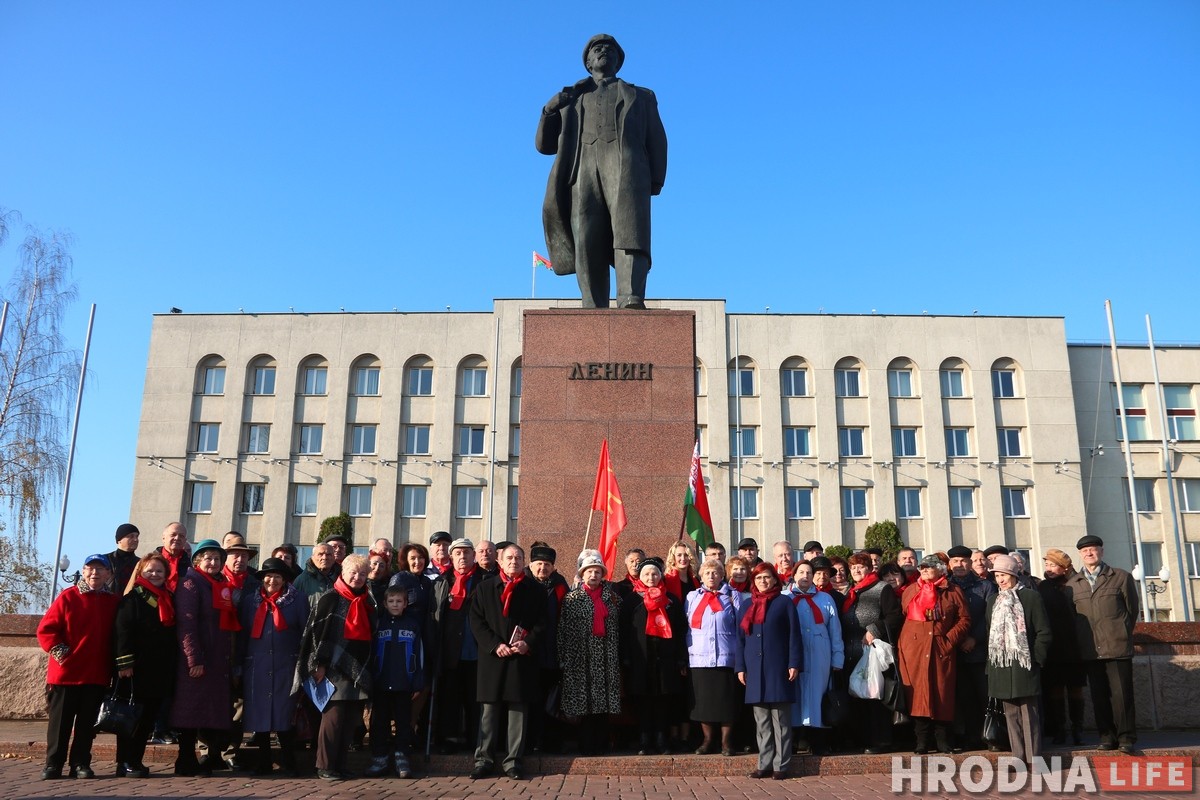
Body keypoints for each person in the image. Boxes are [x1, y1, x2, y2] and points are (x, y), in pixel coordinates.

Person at [536, 33, 667, 309]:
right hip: (581, 168)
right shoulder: (571, 98)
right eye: (597, 48)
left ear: (619, 60)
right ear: (588, 62)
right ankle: (592, 303)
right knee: (587, 236)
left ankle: (631, 297)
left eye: (610, 48)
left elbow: (657, 138)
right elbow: (545, 146)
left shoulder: (642, 96)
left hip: (626, 169)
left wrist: (655, 179)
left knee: (629, 232)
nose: (603, 51)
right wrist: (549, 110)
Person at [37, 553, 120, 780]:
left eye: (100, 569)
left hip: (95, 674)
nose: (95, 573)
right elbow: (46, 630)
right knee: (60, 725)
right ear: (83, 571)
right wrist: (64, 654)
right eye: (90, 568)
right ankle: (53, 764)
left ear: (108, 574)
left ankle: (80, 763)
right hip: (66, 675)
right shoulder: (68, 597)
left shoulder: (113, 602)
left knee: (87, 726)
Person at [468, 544, 548, 780]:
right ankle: (483, 760)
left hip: (521, 658)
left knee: (517, 711)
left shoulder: (535, 590)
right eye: (509, 557)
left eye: (519, 557)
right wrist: (494, 645)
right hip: (492, 657)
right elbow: (476, 621)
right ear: (500, 561)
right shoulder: (484, 588)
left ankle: (513, 761)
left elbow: (543, 622)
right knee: (488, 712)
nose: (514, 561)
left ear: (524, 562)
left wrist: (528, 643)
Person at [295, 553, 376, 781]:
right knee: (333, 720)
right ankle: (324, 766)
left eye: (362, 573)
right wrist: (318, 665)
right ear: (343, 572)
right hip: (331, 669)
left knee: (350, 721)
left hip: (357, 668)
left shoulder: (367, 602)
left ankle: (340, 765)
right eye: (353, 572)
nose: (358, 577)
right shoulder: (330, 598)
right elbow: (316, 634)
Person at [1065, 534, 1139, 753]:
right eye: (1084, 551)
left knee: (1122, 695)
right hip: (1090, 650)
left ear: (1101, 551)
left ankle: (1126, 738)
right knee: (1099, 697)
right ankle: (1107, 737)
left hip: (1117, 647)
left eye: (1093, 549)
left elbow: (1132, 611)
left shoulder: (1121, 577)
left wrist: (1121, 632)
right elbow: (1073, 618)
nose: (1089, 553)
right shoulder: (1073, 584)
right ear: (1080, 555)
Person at [170, 539, 237, 776]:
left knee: (212, 710)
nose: (213, 562)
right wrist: (193, 658)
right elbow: (187, 623)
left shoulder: (220, 585)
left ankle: (212, 757)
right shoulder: (191, 583)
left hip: (217, 659)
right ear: (198, 560)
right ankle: (185, 758)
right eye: (208, 558)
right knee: (190, 711)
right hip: (198, 659)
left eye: (217, 559)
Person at [238, 557, 309, 776]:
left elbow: (306, 633)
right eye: (268, 576)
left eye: (277, 576)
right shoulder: (250, 601)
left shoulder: (297, 600)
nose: (272, 581)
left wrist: (304, 664)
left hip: (286, 665)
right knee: (259, 715)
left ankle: (289, 761)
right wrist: (238, 666)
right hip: (256, 666)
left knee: (285, 714)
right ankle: (264, 761)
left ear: (285, 579)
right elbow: (241, 635)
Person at [736, 562, 802, 780]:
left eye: (767, 577)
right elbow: (740, 640)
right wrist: (740, 667)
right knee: (762, 721)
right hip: (754, 669)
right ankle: (763, 763)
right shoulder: (747, 605)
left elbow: (794, 635)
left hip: (779, 667)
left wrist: (794, 663)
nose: (763, 581)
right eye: (758, 578)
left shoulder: (784, 603)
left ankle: (781, 765)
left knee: (781, 721)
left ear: (775, 579)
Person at [898, 555, 971, 754]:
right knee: (918, 694)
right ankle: (921, 742)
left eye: (929, 568)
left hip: (941, 646)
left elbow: (964, 619)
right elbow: (906, 614)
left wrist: (949, 640)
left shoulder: (953, 590)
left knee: (942, 692)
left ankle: (943, 741)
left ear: (940, 570)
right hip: (915, 648)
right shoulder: (912, 590)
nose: (924, 571)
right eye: (922, 568)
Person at [113, 553, 176, 778]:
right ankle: (124, 761)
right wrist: (125, 663)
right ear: (141, 573)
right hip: (136, 669)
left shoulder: (167, 597)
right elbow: (123, 632)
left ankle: (136, 760)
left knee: (148, 719)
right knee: (131, 718)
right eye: (150, 570)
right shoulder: (133, 598)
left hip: (158, 670)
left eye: (159, 571)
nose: (155, 574)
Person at [985, 554, 1052, 767]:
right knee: (1010, 714)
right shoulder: (993, 601)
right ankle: (1018, 758)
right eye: (997, 576)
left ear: (1014, 574)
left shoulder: (1031, 597)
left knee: (1029, 714)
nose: (1001, 580)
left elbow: (1043, 631)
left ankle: (1035, 760)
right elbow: (990, 633)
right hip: (1002, 665)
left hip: (1025, 663)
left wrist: (1036, 659)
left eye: (1004, 575)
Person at [620, 556, 687, 755]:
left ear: (661, 576)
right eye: (646, 574)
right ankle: (644, 740)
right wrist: (625, 657)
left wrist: (680, 657)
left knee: (663, 702)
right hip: (640, 659)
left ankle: (661, 740)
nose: (651, 577)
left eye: (655, 573)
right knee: (643, 702)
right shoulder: (632, 599)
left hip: (665, 658)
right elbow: (623, 630)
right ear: (640, 576)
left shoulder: (671, 600)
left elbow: (682, 630)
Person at [557, 549, 622, 754]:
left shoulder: (613, 598)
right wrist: (563, 657)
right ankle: (586, 745)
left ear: (602, 575)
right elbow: (562, 630)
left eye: (597, 572)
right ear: (582, 574)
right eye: (589, 572)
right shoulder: (572, 598)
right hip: (580, 658)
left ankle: (601, 744)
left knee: (603, 703)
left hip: (605, 658)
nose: (593, 575)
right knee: (583, 703)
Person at [430, 537, 490, 753]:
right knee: (449, 699)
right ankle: (448, 740)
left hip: (478, 651)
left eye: (466, 553)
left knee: (476, 701)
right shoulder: (441, 582)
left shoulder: (486, 581)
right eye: (458, 553)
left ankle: (477, 741)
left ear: (474, 555)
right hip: (450, 652)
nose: (462, 557)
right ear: (451, 557)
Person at [840, 552, 902, 754]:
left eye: (861, 566)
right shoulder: (852, 592)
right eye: (853, 568)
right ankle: (862, 739)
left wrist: (874, 630)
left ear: (869, 568)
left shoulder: (881, 588)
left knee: (875, 699)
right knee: (858, 699)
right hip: (852, 653)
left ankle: (881, 741)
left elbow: (894, 616)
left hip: (873, 655)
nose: (857, 570)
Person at [366, 584, 428, 779]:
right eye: (391, 601)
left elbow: (419, 655)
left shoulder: (412, 625)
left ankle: (402, 757)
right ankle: (380, 758)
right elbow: (370, 653)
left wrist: (417, 682)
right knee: (379, 723)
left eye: (399, 601)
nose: (395, 604)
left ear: (405, 603)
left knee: (403, 722)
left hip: (404, 684)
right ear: (384, 603)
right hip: (381, 682)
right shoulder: (378, 624)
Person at [685, 558, 742, 756]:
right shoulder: (692, 597)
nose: (711, 576)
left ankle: (727, 742)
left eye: (715, 573)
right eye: (707, 573)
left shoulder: (732, 596)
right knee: (704, 702)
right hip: (700, 657)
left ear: (721, 576)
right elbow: (687, 625)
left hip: (726, 657)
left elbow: (740, 626)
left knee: (727, 701)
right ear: (701, 576)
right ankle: (707, 740)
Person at [789, 560, 843, 755]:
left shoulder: (825, 598)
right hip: (795, 653)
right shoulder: (785, 597)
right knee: (795, 695)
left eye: (809, 573)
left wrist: (838, 658)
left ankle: (818, 740)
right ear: (794, 575)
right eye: (801, 572)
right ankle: (795, 740)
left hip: (820, 652)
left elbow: (835, 630)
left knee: (818, 694)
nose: (805, 576)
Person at [946, 544, 995, 752]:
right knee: (963, 698)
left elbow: (990, 615)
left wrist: (975, 638)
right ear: (949, 564)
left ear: (971, 562)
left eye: (964, 561)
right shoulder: (945, 587)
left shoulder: (985, 586)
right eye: (955, 561)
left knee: (985, 696)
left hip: (980, 651)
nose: (959, 565)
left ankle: (991, 735)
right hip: (954, 652)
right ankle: (969, 737)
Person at [1038, 548, 1085, 745]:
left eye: (1052, 565)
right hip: (1053, 647)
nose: (1048, 569)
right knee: (1055, 690)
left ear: (1064, 567)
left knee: (1076, 689)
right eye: (1046, 564)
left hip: (1075, 646)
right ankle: (1060, 729)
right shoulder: (1043, 587)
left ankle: (1078, 729)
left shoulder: (1077, 584)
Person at [219, 535, 258, 770]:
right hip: (218, 648)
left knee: (238, 706)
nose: (240, 560)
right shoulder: (216, 580)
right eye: (235, 555)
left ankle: (230, 751)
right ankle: (209, 750)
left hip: (245, 649)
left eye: (244, 556)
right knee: (214, 701)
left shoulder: (254, 583)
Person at [526, 542, 569, 753]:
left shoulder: (560, 586)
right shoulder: (522, 584)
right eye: (539, 564)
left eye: (547, 565)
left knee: (552, 701)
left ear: (553, 567)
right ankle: (531, 740)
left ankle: (551, 742)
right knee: (531, 700)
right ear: (531, 565)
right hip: (528, 654)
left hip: (553, 653)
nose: (543, 568)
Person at [107, 523, 141, 594]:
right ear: (119, 540)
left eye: (137, 536)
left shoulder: (141, 563)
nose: (135, 540)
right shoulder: (105, 560)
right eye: (131, 536)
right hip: (108, 601)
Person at [158, 521, 191, 591]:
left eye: (181, 536)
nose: (177, 538)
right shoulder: (149, 562)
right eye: (173, 534)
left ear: (185, 541)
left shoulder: (190, 566)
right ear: (163, 538)